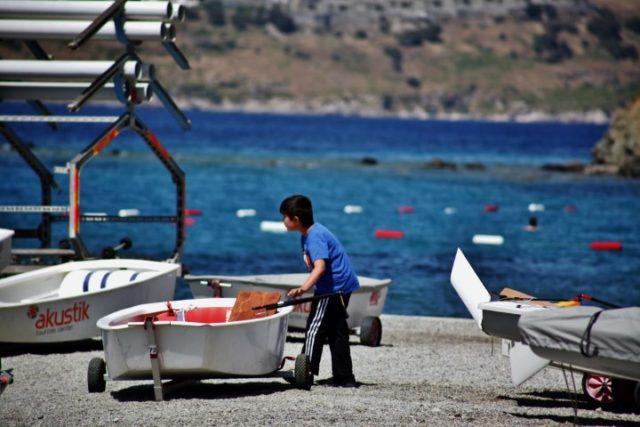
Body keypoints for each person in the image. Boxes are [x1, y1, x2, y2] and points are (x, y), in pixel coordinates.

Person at [280, 194, 360, 388]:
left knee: (315, 329)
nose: (283, 221)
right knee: (336, 331)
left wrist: (304, 288)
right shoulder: (308, 235)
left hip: (332, 290)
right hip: (340, 287)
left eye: (285, 216)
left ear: (296, 219)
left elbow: (320, 266)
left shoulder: (314, 236)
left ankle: (304, 372)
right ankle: (344, 377)